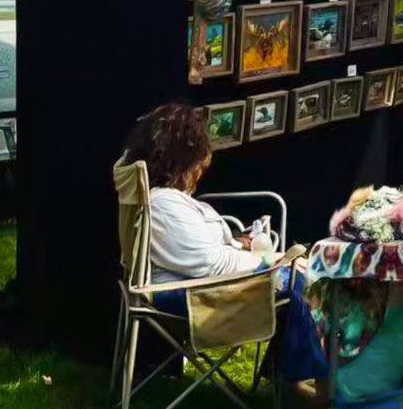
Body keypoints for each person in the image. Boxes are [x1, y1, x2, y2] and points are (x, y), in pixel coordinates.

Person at [122, 103, 326, 383]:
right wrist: (274, 261)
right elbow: (211, 265)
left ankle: (292, 378)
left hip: (191, 286)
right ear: (184, 159)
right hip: (186, 297)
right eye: (198, 164)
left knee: (298, 279)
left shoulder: (166, 200)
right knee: (296, 284)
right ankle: (300, 384)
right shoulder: (163, 205)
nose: (200, 172)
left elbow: (203, 255)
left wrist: (242, 245)